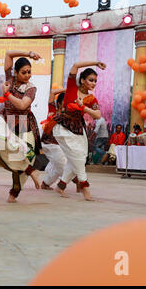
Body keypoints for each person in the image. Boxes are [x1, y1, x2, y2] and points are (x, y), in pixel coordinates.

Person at [45, 61, 106, 201]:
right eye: (91, 80)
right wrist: (96, 62)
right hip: (63, 127)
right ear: (83, 80)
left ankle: (61, 185)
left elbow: (98, 115)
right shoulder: (72, 87)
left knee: (80, 157)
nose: (93, 83)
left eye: (95, 81)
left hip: (78, 128)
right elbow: (75, 65)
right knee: (77, 157)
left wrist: (83, 107)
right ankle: (85, 187)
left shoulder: (91, 99)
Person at [1, 50, 43, 203]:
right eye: (24, 72)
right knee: (11, 157)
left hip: (24, 123)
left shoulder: (31, 88)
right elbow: (8, 54)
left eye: (29, 72)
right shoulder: (10, 79)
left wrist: (7, 95)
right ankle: (31, 173)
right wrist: (29, 53)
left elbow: (22, 105)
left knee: (24, 155)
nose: (27, 75)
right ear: (16, 72)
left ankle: (14, 193)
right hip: (9, 122)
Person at [40, 89, 68, 190]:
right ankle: (80, 184)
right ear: (59, 104)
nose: (68, 105)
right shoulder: (53, 111)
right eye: (65, 102)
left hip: (60, 145)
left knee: (56, 167)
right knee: (64, 167)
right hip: (49, 143)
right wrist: (68, 89)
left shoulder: (70, 116)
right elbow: (52, 92)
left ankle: (45, 184)